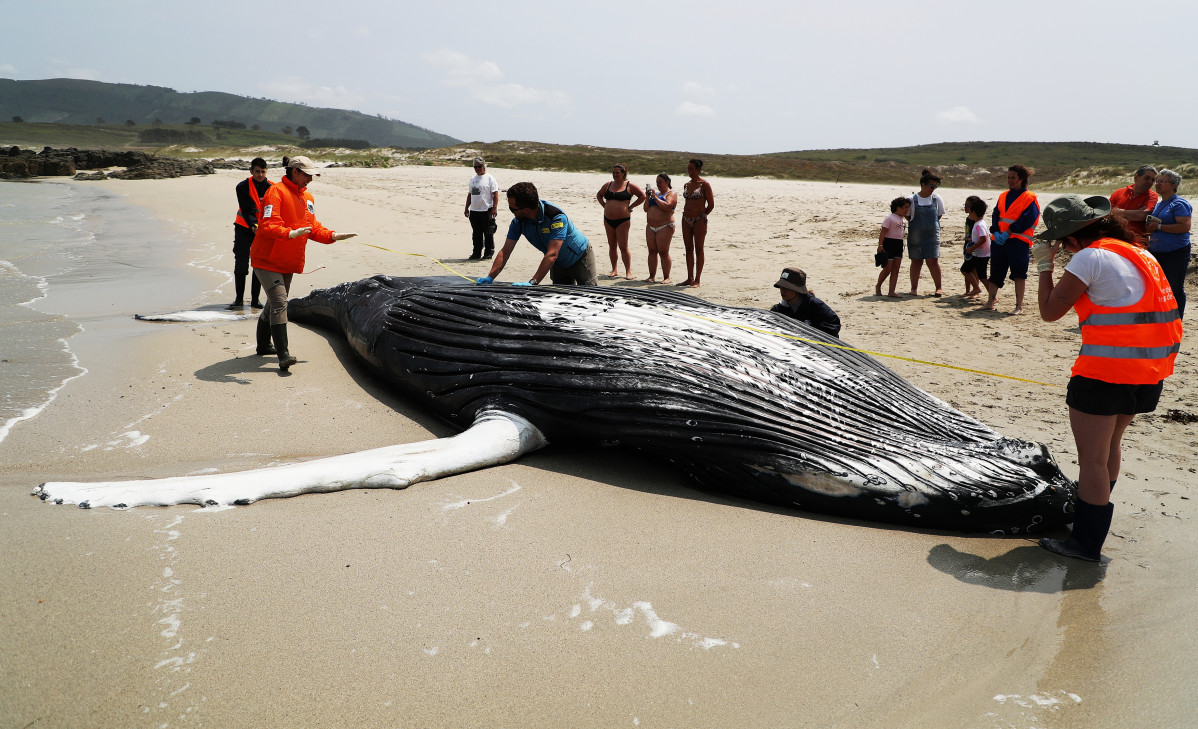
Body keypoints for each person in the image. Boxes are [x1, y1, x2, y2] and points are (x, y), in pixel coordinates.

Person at [1032, 194, 1181, 562]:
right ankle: (1090, 517)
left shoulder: (1089, 256)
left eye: (1062, 245)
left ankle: (1085, 543)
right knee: (1110, 447)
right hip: (1148, 371)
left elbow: (1050, 312)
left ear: (1070, 239)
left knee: (1092, 460)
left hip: (1105, 372)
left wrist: (1043, 268)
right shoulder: (1139, 252)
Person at [251, 156, 356, 370]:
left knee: (273, 304)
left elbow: (313, 228)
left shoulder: (307, 197)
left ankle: (263, 345)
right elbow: (268, 226)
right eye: (307, 174)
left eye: (312, 175)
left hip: (288, 260)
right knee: (280, 302)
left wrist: (333, 236)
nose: (310, 178)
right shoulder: (275, 192)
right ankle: (283, 356)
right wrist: (290, 233)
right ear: (295, 172)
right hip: (266, 258)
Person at [478, 181, 597, 286]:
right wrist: (490, 277)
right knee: (562, 299)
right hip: (557, 263)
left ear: (526, 210)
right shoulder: (518, 222)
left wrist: (533, 282)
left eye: (512, 209)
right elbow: (505, 252)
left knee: (589, 297)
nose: (511, 211)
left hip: (580, 258)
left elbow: (552, 253)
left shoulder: (556, 217)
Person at [984, 164, 1040, 314]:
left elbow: (1027, 219)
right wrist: (996, 231)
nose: (1010, 180)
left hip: (1018, 241)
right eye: (1008, 177)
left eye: (1013, 177)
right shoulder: (1003, 196)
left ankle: (1018, 307)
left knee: (1019, 274)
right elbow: (996, 215)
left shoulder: (1030, 198)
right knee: (995, 272)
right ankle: (990, 302)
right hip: (1000, 241)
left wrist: (1008, 232)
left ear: (1021, 179)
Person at [1145, 168, 1192, 318]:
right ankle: (1161, 317)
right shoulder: (1160, 204)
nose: (1157, 184)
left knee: (1175, 287)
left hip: (1176, 251)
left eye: (1162, 181)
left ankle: (1176, 320)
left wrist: (1159, 227)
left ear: (1173, 185)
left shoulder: (1179, 204)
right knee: (1157, 287)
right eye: (1157, 181)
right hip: (1157, 251)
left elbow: (1185, 227)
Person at [229, 157, 271, 310]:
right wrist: (253, 225)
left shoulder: (272, 187)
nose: (260, 175)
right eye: (257, 172)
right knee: (241, 263)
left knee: (258, 265)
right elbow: (247, 209)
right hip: (243, 228)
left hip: (263, 231)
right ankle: (239, 300)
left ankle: (255, 300)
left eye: (263, 172)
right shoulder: (242, 186)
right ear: (251, 171)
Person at [596, 163, 645, 279]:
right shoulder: (608, 185)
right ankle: (614, 270)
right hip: (608, 219)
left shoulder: (629, 185)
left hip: (623, 220)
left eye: (617, 172)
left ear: (623, 173)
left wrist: (631, 207)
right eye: (613, 172)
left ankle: (628, 272)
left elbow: (642, 196)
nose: (615, 174)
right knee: (612, 245)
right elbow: (599, 195)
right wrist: (604, 205)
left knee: (623, 246)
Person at [770, 267, 841, 337]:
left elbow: (833, 326)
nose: (782, 291)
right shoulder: (779, 309)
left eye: (787, 288)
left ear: (797, 290)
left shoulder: (815, 306)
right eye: (781, 287)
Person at [906, 169, 945, 296]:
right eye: (931, 186)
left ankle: (939, 287)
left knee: (933, 261)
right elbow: (908, 216)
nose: (933, 189)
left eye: (935, 186)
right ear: (923, 185)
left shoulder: (936, 198)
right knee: (916, 261)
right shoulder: (911, 199)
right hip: (915, 235)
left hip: (932, 235)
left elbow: (938, 216)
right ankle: (914, 289)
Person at [680, 158, 714, 287]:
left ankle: (697, 279)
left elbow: (711, 204)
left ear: (698, 169)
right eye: (688, 168)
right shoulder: (686, 185)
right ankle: (689, 277)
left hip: (699, 219)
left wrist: (702, 216)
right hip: (686, 218)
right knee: (688, 248)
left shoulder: (704, 185)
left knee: (699, 248)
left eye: (692, 169)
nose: (689, 171)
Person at [644, 173, 677, 283]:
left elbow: (668, 206)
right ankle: (651, 276)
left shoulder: (671, 194)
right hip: (651, 227)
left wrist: (656, 198)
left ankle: (666, 277)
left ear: (667, 182)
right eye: (657, 182)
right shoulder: (656, 194)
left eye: (660, 182)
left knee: (663, 252)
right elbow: (646, 208)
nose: (658, 184)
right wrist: (648, 197)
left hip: (665, 226)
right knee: (652, 251)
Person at [464, 157, 499, 260]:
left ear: (484, 166)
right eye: (475, 167)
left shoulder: (490, 178)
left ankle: (488, 252)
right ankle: (476, 252)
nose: (477, 169)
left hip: (486, 210)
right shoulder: (473, 179)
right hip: (474, 211)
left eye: (479, 166)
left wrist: (494, 208)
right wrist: (466, 208)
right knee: (476, 233)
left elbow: (495, 194)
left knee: (488, 233)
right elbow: (470, 194)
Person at [1109, 165, 1158, 239]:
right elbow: (1108, 214)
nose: (1150, 182)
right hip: (1115, 237)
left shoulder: (1152, 196)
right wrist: (1135, 213)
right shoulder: (1118, 192)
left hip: (1137, 240)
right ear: (1136, 177)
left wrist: (1118, 212)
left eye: (1153, 180)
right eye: (1147, 178)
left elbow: (1143, 216)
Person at [875, 197, 908, 298]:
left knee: (896, 269)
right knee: (888, 268)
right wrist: (880, 245)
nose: (907, 210)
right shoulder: (890, 218)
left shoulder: (903, 220)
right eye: (905, 207)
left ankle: (891, 291)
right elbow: (883, 232)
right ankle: (878, 286)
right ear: (898, 207)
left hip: (899, 244)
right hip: (888, 243)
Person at [961, 196, 990, 299]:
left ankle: (989, 295)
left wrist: (972, 247)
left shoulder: (978, 224)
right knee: (966, 269)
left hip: (980, 253)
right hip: (974, 251)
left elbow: (983, 239)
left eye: (970, 209)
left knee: (981, 275)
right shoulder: (976, 222)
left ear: (974, 212)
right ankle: (974, 289)